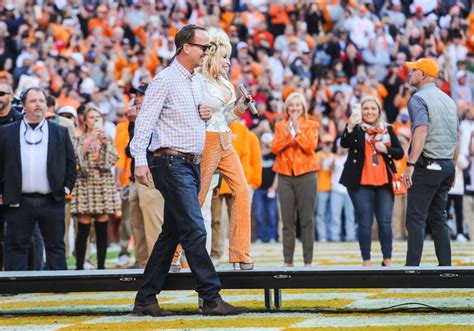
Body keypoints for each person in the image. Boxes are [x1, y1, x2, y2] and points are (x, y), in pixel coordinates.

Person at [130, 24, 245, 316]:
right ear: (186, 48)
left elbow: (194, 119)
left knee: (172, 233)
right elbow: (144, 122)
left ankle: (145, 298)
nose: (207, 51)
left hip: (190, 162)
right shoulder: (165, 80)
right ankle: (210, 296)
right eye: (204, 47)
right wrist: (140, 161)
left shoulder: (194, 81)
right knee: (195, 228)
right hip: (170, 161)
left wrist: (205, 115)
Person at [0, 87, 76, 271]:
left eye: (41, 101)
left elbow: (71, 164)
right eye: (33, 101)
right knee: (16, 246)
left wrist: (65, 189)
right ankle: (14, 288)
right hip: (19, 200)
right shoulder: (7, 132)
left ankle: (59, 289)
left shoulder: (59, 131)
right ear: (24, 105)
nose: (38, 105)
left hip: (51, 199)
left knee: (56, 246)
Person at [198, 31, 253, 270]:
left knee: (242, 189)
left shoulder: (225, 83)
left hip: (225, 139)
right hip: (206, 139)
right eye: (223, 56)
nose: (228, 61)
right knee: (198, 200)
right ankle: (176, 253)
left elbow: (226, 117)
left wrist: (240, 108)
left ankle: (240, 253)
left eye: (228, 57)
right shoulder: (197, 80)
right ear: (211, 55)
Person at [403, 58, 458, 266]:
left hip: (428, 164)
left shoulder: (418, 99)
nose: (410, 73)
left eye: (414, 70)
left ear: (423, 75)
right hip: (446, 164)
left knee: (415, 218)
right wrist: (452, 167)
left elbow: (421, 130)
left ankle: (412, 269)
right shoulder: (449, 100)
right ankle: (446, 267)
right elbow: (457, 136)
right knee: (439, 218)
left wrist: (410, 165)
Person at [340, 96, 404, 267]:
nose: (369, 112)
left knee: (385, 221)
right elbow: (344, 143)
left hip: (384, 182)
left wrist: (386, 149)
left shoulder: (387, 129)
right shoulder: (356, 128)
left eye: (373, 108)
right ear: (361, 111)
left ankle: (387, 259)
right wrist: (350, 125)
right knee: (365, 221)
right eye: (366, 108)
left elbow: (399, 152)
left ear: (379, 111)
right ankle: (366, 261)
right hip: (360, 183)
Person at [270, 92, 319, 267]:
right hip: (285, 175)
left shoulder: (312, 125)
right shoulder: (280, 125)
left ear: (303, 107)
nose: (295, 108)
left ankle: (308, 261)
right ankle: (287, 261)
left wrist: (297, 131)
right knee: (287, 221)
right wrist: (288, 134)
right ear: (287, 108)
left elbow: (310, 147)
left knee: (307, 219)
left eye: (298, 105)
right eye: (292, 105)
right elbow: (274, 148)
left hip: (306, 174)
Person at [71, 106, 120, 270]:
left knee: (102, 225)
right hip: (85, 183)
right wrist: (89, 141)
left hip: (103, 183)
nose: (94, 120)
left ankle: (101, 266)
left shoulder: (107, 138)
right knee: (83, 226)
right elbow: (76, 162)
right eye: (91, 117)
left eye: (97, 117)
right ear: (85, 120)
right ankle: (79, 266)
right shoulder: (79, 138)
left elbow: (110, 161)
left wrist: (105, 144)